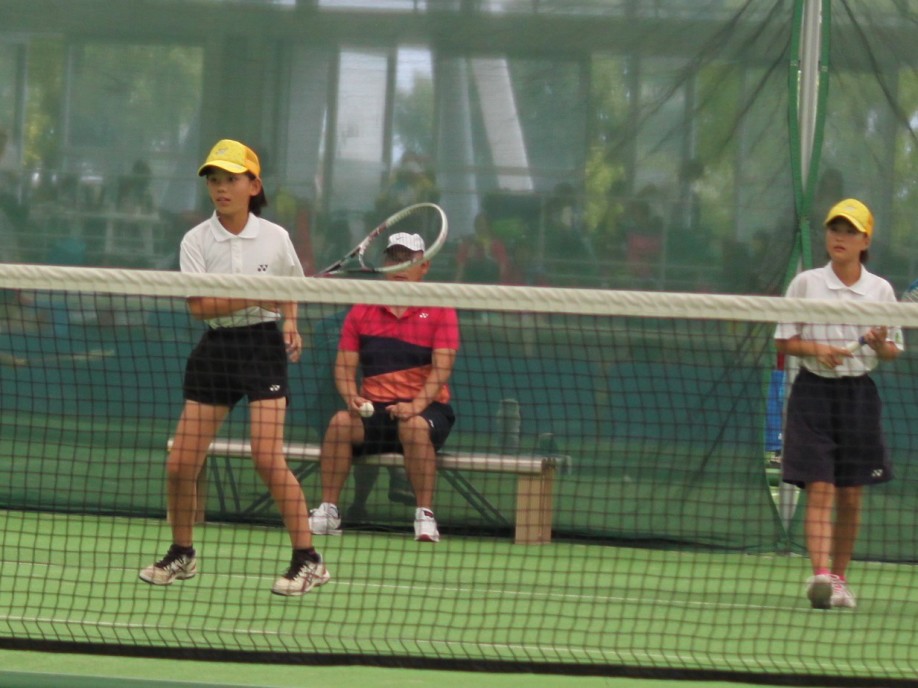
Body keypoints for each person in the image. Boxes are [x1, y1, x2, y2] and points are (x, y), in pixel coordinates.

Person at [139, 139, 330, 596]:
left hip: (262, 347)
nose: (221, 188)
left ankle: (308, 560)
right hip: (217, 349)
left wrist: (291, 322)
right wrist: (255, 294)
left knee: (267, 457)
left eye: (231, 179)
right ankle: (182, 552)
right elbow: (200, 307)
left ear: (253, 186)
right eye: (214, 180)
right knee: (180, 464)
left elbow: (290, 288)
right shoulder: (196, 240)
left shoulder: (276, 237)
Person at [775, 198, 903, 610]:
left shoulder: (881, 290)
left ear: (865, 241)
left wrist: (880, 344)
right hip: (812, 394)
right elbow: (784, 340)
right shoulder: (806, 283)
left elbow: (892, 351)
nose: (840, 237)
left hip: (858, 398)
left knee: (850, 495)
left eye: (850, 231)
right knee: (820, 487)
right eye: (835, 229)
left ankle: (840, 579)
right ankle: (820, 576)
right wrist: (819, 350)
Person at [308, 232, 460, 542]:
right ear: (385, 264)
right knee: (339, 423)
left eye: (408, 259)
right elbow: (344, 367)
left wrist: (415, 406)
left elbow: (441, 369)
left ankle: (425, 516)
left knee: (414, 427)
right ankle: (329, 511)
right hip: (375, 411)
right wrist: (350, 396)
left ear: (424, 266)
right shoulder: (362, 310)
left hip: (427, 410)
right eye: (394, 258)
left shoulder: (440, 308)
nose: (400, 266)